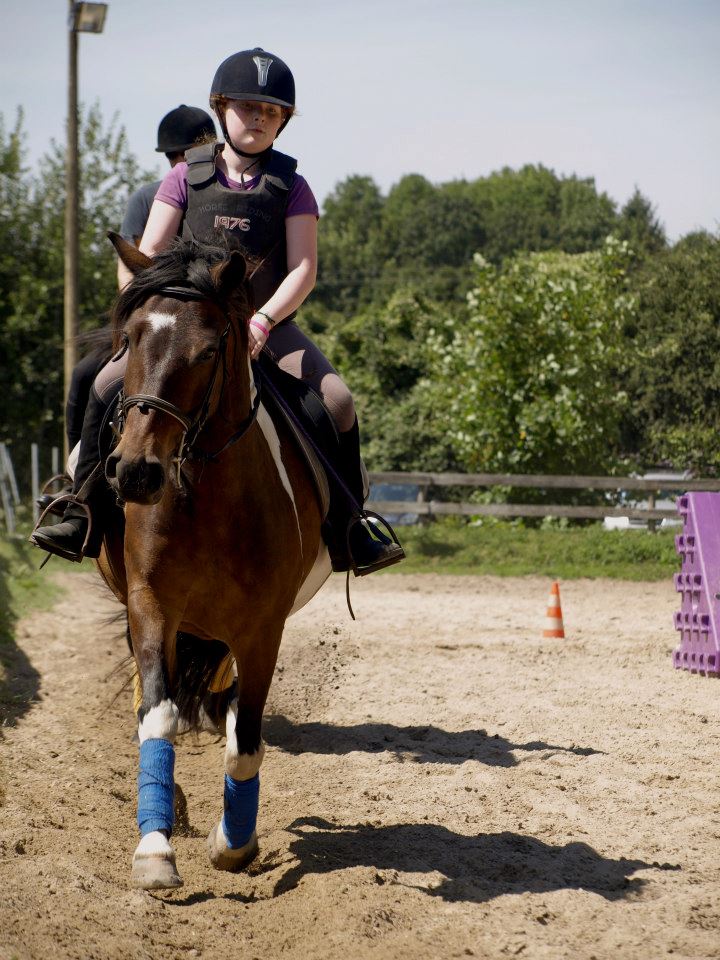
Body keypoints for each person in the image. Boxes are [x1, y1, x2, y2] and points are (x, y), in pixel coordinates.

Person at [31, 48, 404, 576]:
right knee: (103, 386)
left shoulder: (293, 187)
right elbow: (150, 254)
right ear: (222, 107)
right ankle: (81, 509)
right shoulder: (183, 178)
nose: (258, 118)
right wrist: (144, 315)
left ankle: (349, 528)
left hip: (265, 327)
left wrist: (262, 321)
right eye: (248, 106)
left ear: (283, 122)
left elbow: (303, 270)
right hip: (187, 327)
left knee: (338, 402)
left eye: (271, 112)